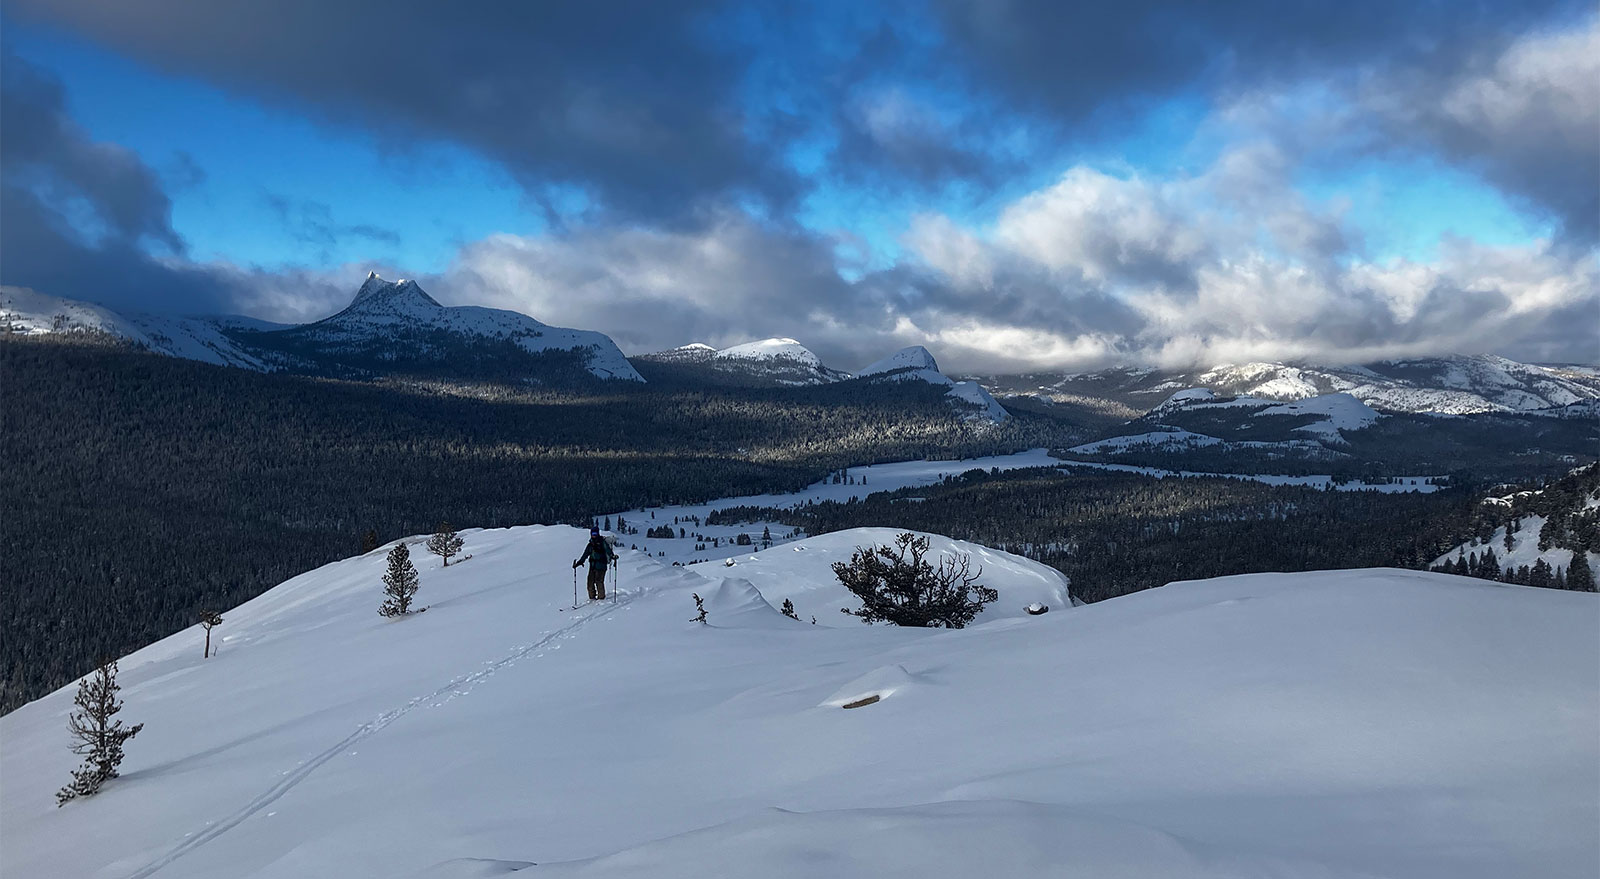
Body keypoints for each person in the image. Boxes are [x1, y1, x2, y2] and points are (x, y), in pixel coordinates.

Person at [574, 526, 616, 601]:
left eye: (595, 533)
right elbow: (585, 554)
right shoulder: (590, 544)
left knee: (599, 581)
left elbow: (608, 550)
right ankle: (592, 599)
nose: (594, 535)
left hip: (601, 565)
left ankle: (601, 599)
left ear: (598, 533)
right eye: (593, 533)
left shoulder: (602, 542)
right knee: (590, 583)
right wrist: (579, 562)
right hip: (593, 566)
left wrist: (612, 556)